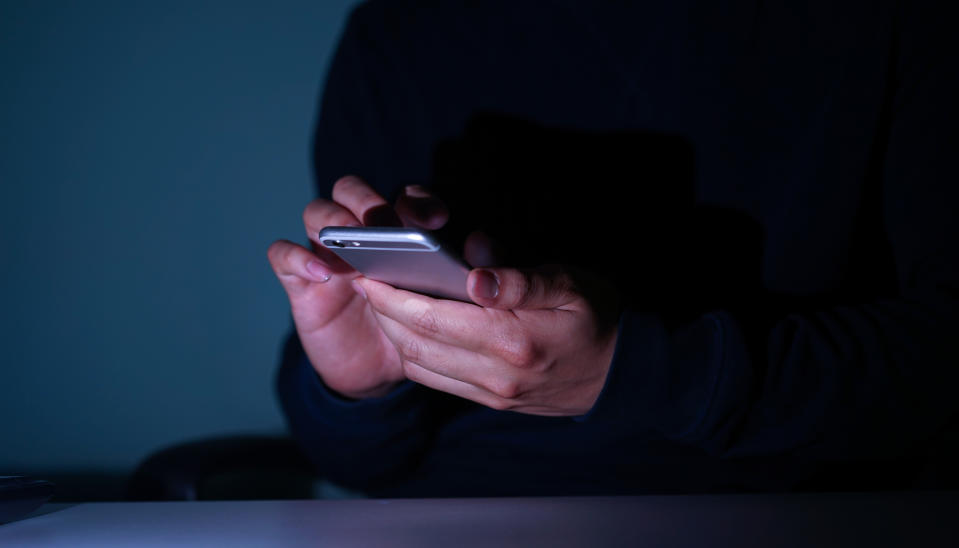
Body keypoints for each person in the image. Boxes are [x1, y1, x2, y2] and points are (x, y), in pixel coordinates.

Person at [267, 0, 958, 497]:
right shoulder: (399, 28)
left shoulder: (892, 22)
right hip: (457, 507)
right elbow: (346, 460)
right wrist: (358, 392)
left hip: (797, 509)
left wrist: (639, 376)